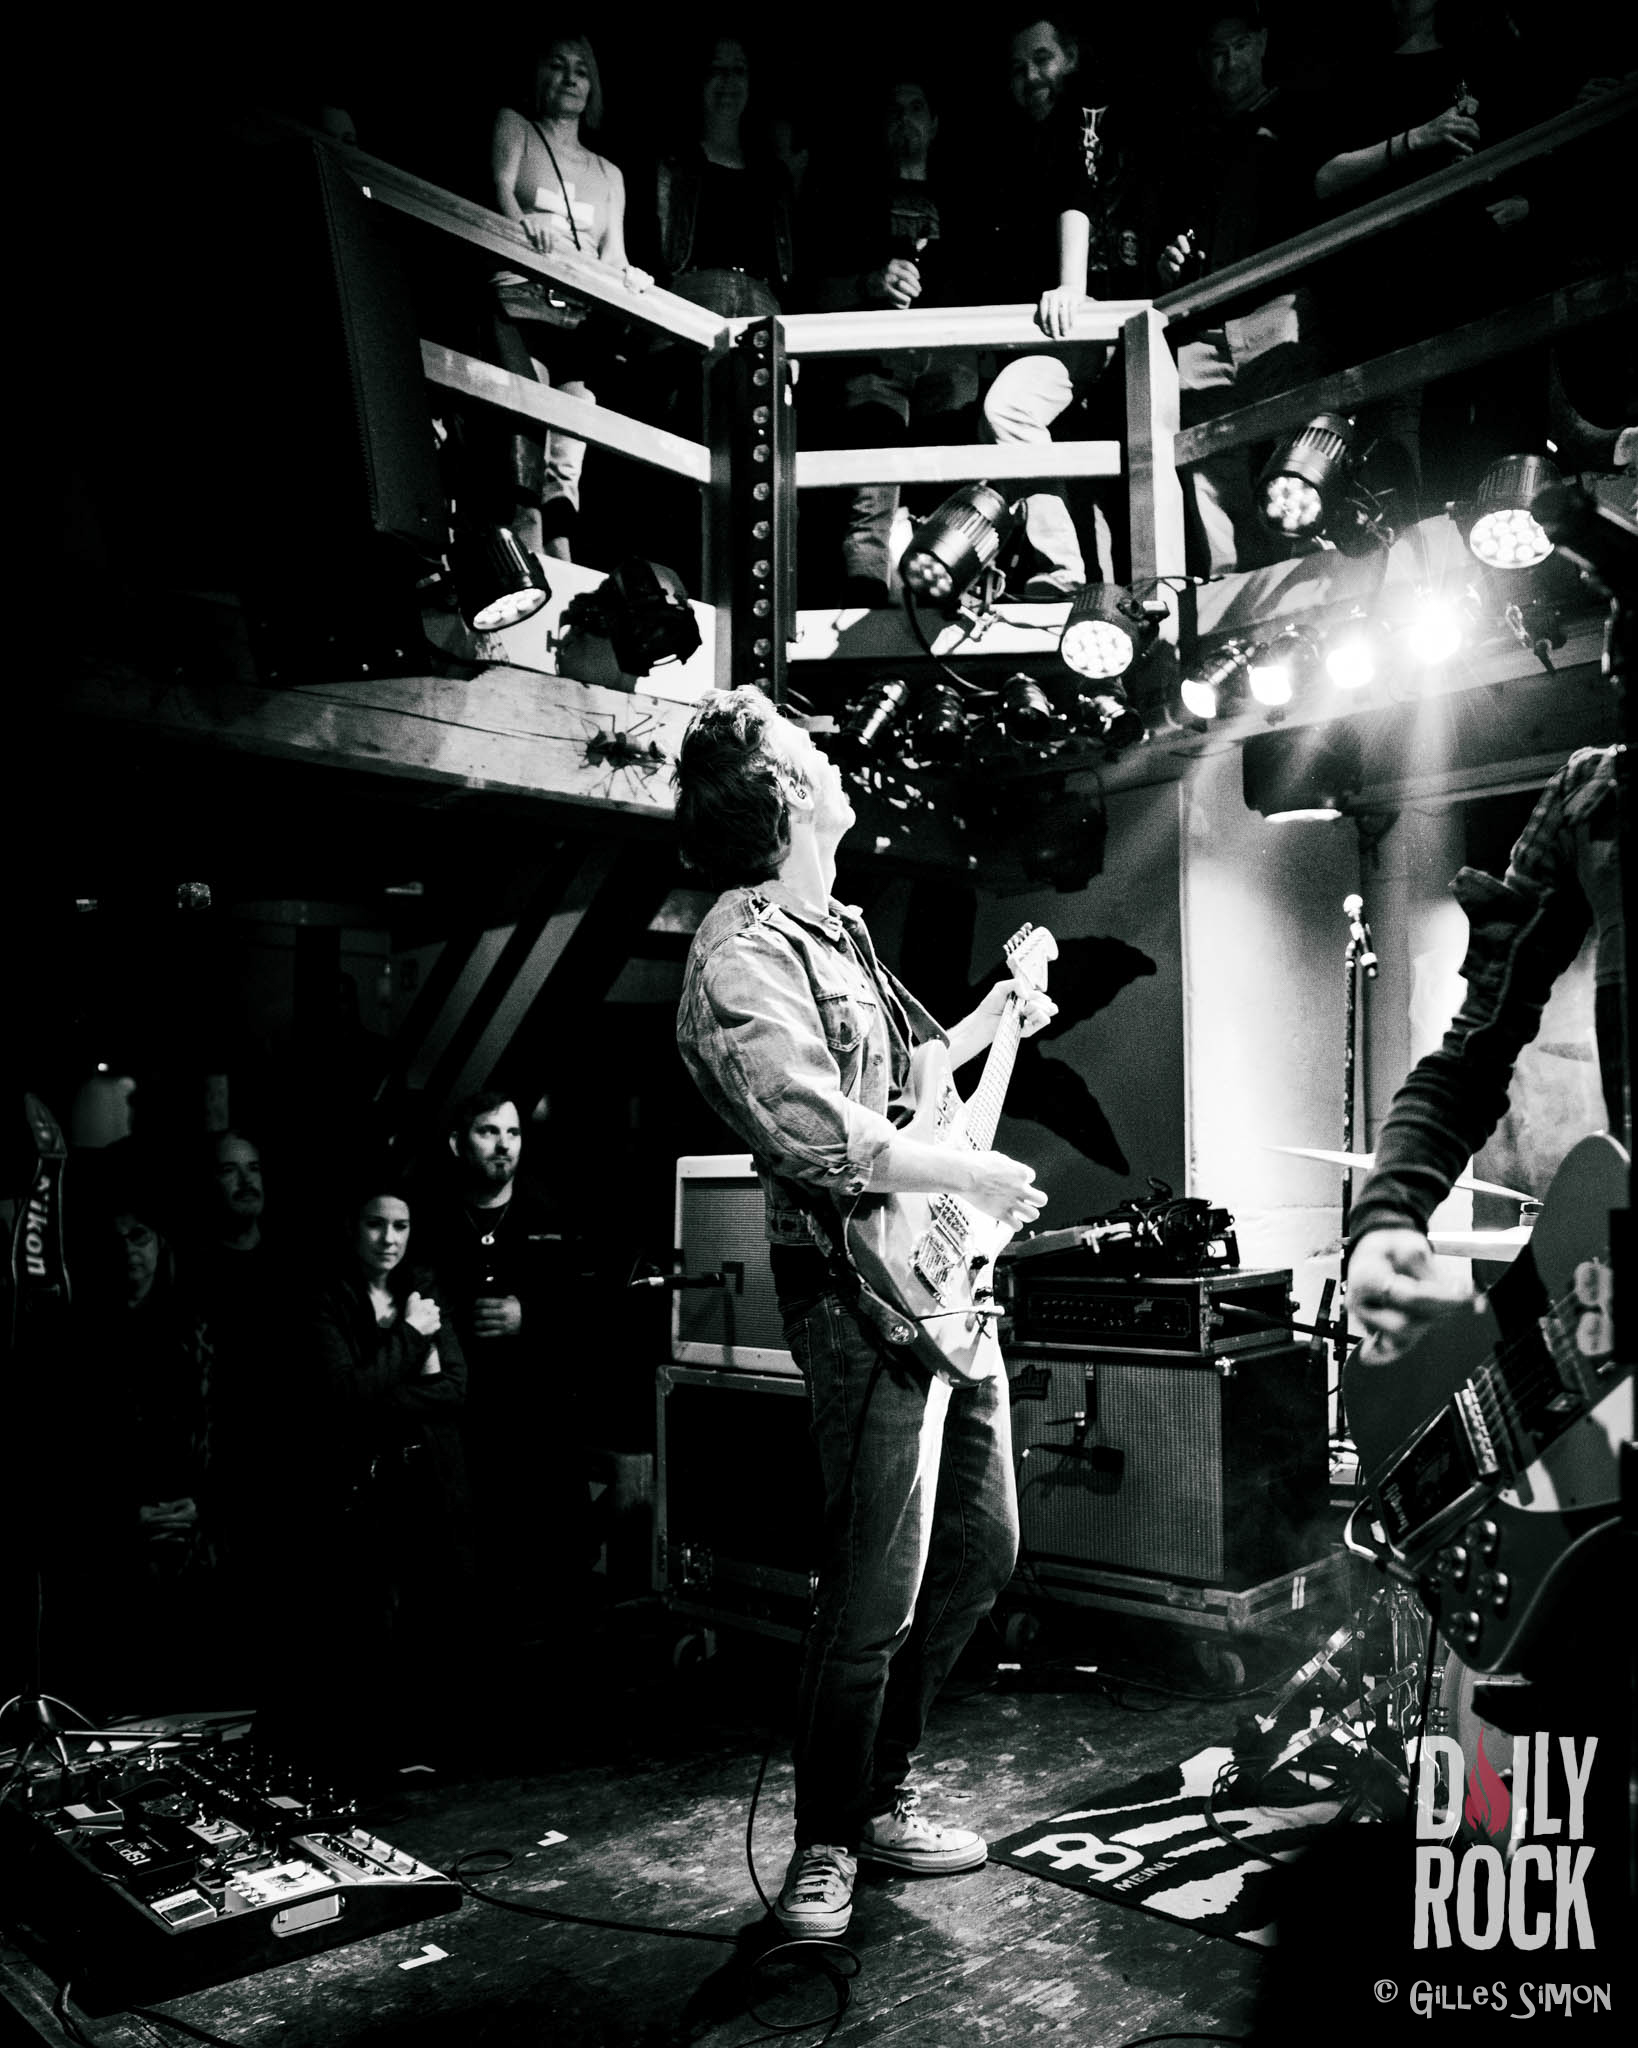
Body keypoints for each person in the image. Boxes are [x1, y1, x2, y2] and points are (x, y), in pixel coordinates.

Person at [673, 686, 1055, 1939]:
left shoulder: (836, 926)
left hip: (938, 1282)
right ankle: (827, 1840)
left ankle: (880, 1795)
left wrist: (1003, 1010)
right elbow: (821, 1132)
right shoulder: (740, 955)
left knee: (983, 1549)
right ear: (784, 795)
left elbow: (918, 1080)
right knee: (873, 1587)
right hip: (855, 1296)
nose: (832, 756)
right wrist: (973, 1178)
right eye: (809, 750)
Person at [976, 13, 1148, 596]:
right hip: (1061, 331)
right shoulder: (1021, 145)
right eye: (1016, 68)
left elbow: (1078, 196)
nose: (1030, 77)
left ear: (1071, 56)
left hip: (1098, 324)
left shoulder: (1089, 118)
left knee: (1010, 412)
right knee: (1076, 467)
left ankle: (1078, 575)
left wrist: (1073, 289)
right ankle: (1078, 580)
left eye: (1042, 59)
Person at [1152, 6, 1327, 575]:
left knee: (1294, 449)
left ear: (1263, 42)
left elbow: (1321, 190)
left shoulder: (1297, 114)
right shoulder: (1191, 136)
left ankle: (1308, 567)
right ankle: (1224, 588)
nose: (1229, 62)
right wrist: (1171, 259)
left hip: (1277, 306)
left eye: (1239, 46)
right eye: (1216, 52)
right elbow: (1173, 232)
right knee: (1208, 466)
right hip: (1203, 323)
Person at [415, 1091, 592, 1644]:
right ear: (457, 1143)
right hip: (466, 1421)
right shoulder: (432, 1220)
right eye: (488, 1131)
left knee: (549, 1580)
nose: (503, 1145)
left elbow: (590, 1312)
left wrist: (529, 1316)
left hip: (539, 1422)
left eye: (512, 1133)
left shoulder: (551, 1212)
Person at [303, 1184, 473, 1755]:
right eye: (376, 1224)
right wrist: (410, 1338)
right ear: (353, 1228)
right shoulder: (330, 1299)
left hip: (431, 1481)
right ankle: (375, 1755)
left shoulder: (422, 1291)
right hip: (366, 1489)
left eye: (401, 1226)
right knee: (370, 1627)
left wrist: (377, 1388)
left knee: (434, 1621)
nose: (389, 1238)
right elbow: (341, 1397)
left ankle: (428, 1753)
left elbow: (454, 1388)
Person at [803, 76, 981, 606]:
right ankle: (863, 604)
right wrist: (871, 282)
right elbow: (815, 292)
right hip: (876, 363)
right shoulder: (853, 200)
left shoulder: (962, 199)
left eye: (916, 107)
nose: (906, 119)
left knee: (956, 483)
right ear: (881, 127)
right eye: (894, 110)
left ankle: (951, 602)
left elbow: (984, 288)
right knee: (871, 488)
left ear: (935, 123)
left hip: (947, 363)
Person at [489, 34, 647, 563]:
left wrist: (632, 276)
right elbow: (501, 193)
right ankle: (526, 536)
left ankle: (559, 548)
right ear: (539, 75)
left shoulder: (609, 173)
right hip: (522, 296)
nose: (571, 77)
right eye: (558, 65)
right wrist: (523, 223)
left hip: (578, 317)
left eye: (582, 69)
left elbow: (614, 255)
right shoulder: (516, 126)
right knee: (527, 411)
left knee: (572, 430)